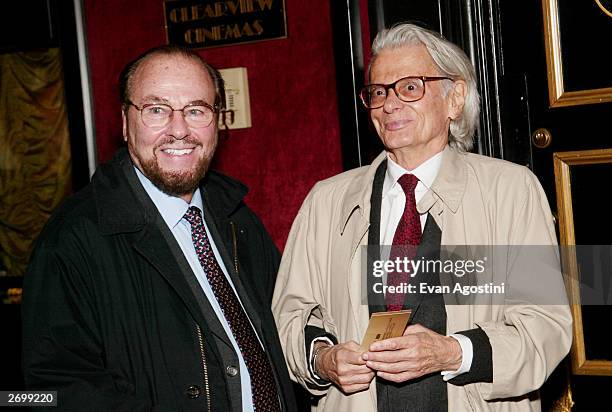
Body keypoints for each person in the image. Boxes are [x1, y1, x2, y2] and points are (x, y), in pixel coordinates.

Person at [272, 23, 572, 411]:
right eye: (378, 92)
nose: (389, 104)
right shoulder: (326, 202)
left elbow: (544, 328)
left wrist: (452, 352)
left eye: (409, 87)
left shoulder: (510, 191)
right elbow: (289, 317)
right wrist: (322, 359)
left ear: (455, 98)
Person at [22, 45, 296, 411]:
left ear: (218, 120)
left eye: (196, 110)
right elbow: (55, 391)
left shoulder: (238, 220)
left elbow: (284, 326)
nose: (179, 130)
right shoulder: (73, 239)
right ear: (124, 122)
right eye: (156, 110)